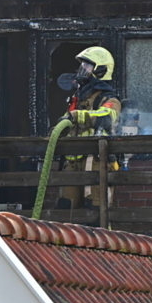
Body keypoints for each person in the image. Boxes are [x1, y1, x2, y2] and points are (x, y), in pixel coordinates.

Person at [57, 46, 122, 210]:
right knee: (66, 207)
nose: (82, 70)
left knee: (94, 209)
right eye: (82, 66)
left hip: (95, 162)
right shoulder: (78, 98)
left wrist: (78, 115)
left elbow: (107, 117)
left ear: (100, 70)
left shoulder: (108, 98)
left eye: (87, 66)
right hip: (72, 162)